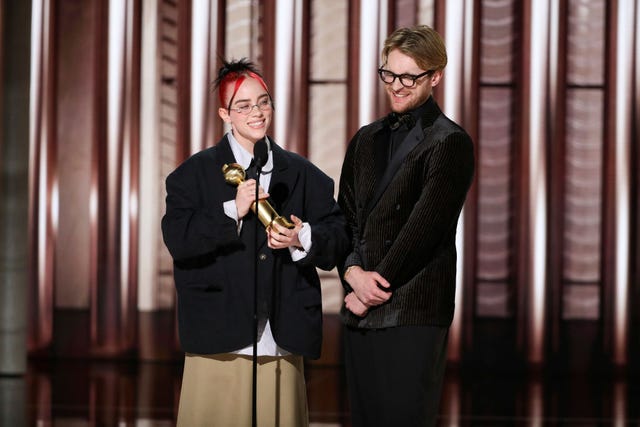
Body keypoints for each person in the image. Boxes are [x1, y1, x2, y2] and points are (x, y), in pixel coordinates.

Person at [161, 58, 349, 427]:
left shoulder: (304, 174)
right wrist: (233, 209)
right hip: (219, 333)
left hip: (280, 336)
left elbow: (338, 236)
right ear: (224, 114)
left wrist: (302, 238)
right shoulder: (192, 175)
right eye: (243, 106)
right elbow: (178, 238)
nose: (257, 112)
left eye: (263, 101)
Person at [338, 25, 475, 427]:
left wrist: (369, 288)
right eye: (389, 74)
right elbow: (345, 216)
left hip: (413, 307)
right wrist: (350, 272)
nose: (396, 86)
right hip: (359, 306)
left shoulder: (450, 142)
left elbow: (423, 229)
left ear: (435, 76)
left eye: (409, 77)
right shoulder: (365, 139)